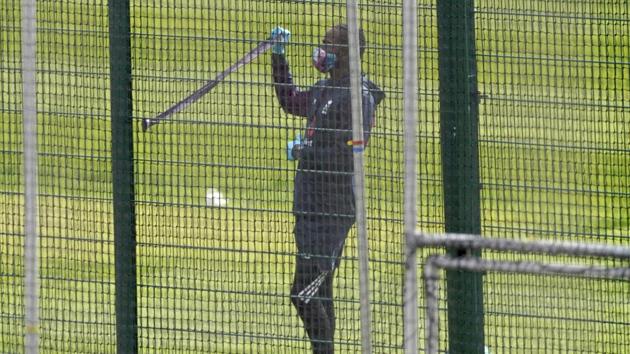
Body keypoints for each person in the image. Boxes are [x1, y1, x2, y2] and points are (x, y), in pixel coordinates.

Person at [270, 24, 385, 353]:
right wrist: (279, 58)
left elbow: (349, 153)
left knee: (301, 292)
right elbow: (290, 102)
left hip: (332, 211)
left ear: (348, 54)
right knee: (322, 293)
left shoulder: (358, 97)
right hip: (308, 205)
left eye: (328, 45)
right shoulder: (324, 89)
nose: (321, 50)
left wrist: (305, 150)